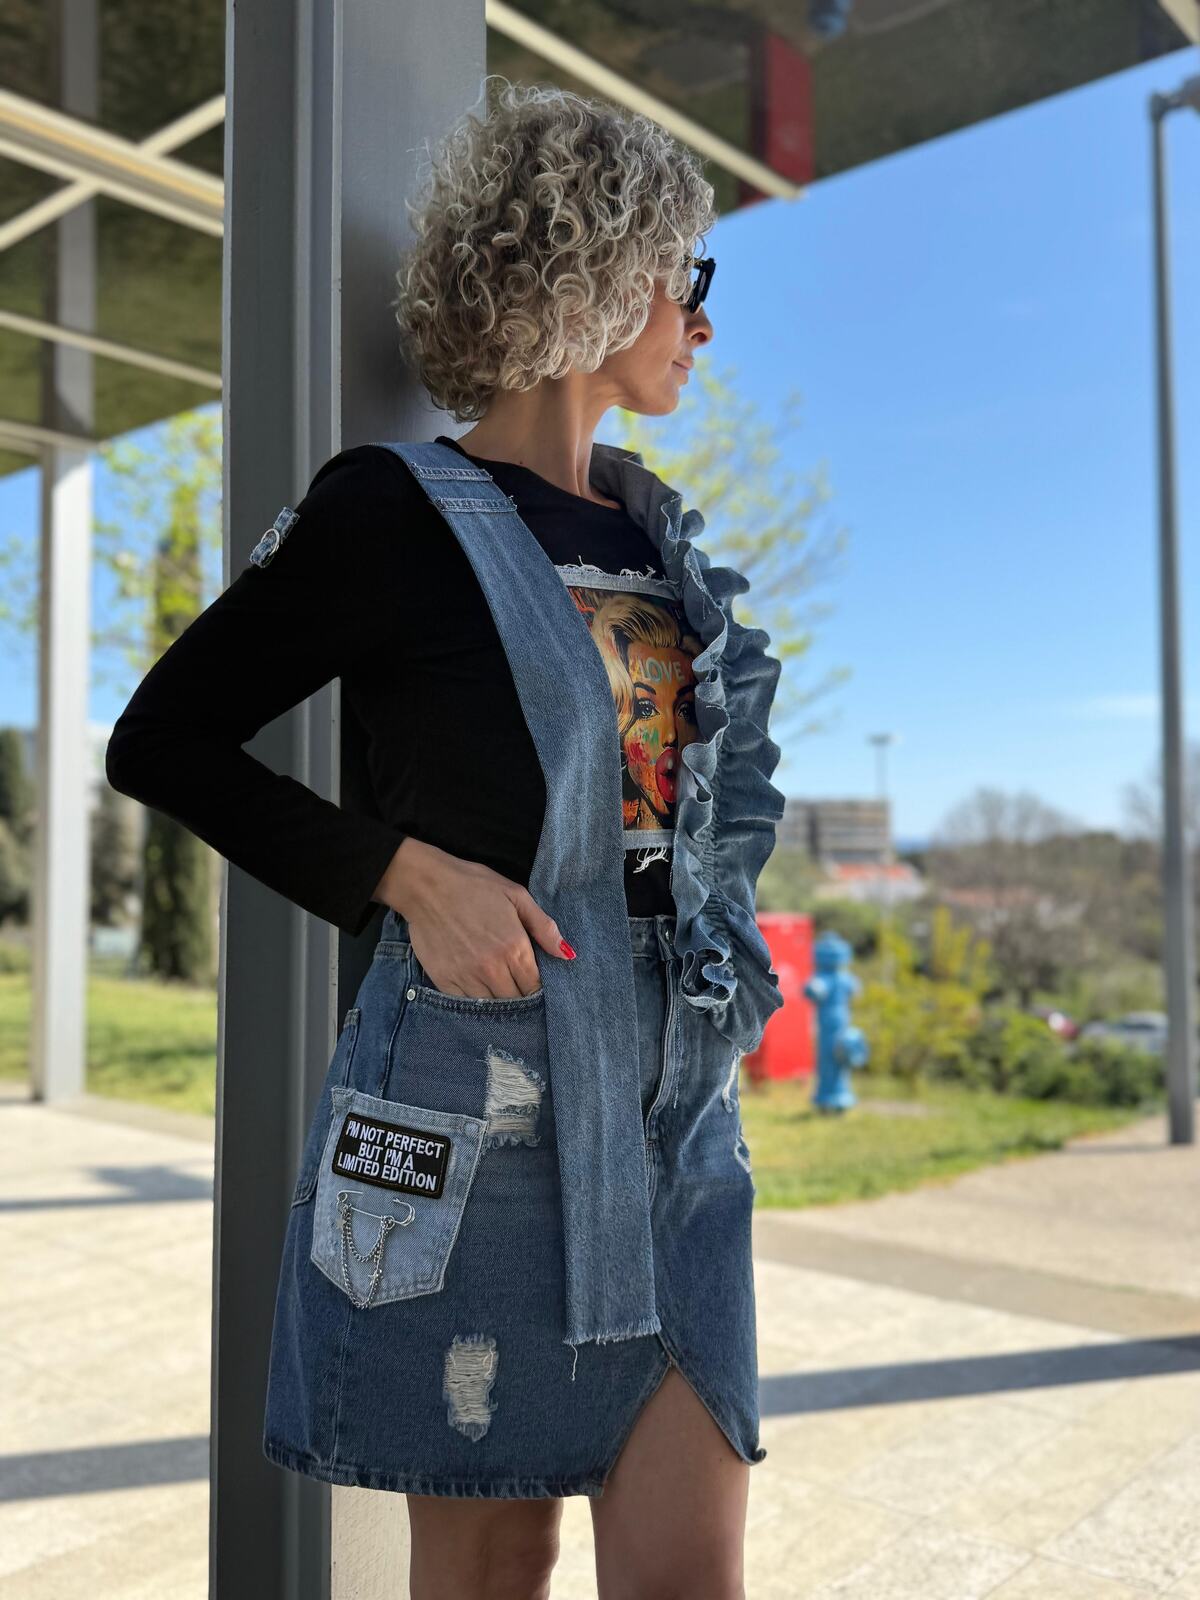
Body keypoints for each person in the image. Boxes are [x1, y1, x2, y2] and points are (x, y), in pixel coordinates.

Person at [105, 75, 786, 1600]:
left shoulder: (661, 538)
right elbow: (162, 741)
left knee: (692, 1574)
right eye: (687, 279)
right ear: (598, 269)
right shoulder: (391, 510)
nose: (702, 323)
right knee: (490, 1567)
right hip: (475, 1098)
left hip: (677, 1114)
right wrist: (399, 876)